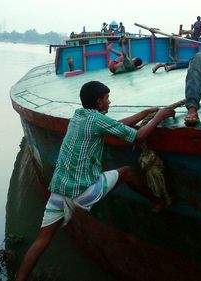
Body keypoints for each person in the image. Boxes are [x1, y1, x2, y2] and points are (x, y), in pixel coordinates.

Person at [14, 81, 175, 281]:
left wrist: (145, 114)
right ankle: (157, 201)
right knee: (127, 173)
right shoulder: (97, 121)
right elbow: (139, 136)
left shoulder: (78, 117)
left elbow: (116, 127)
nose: (110, 101)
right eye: (107, 98)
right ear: (99, 102)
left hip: (60, 190)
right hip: (84, 189)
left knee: (42, 240)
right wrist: (160, 116)